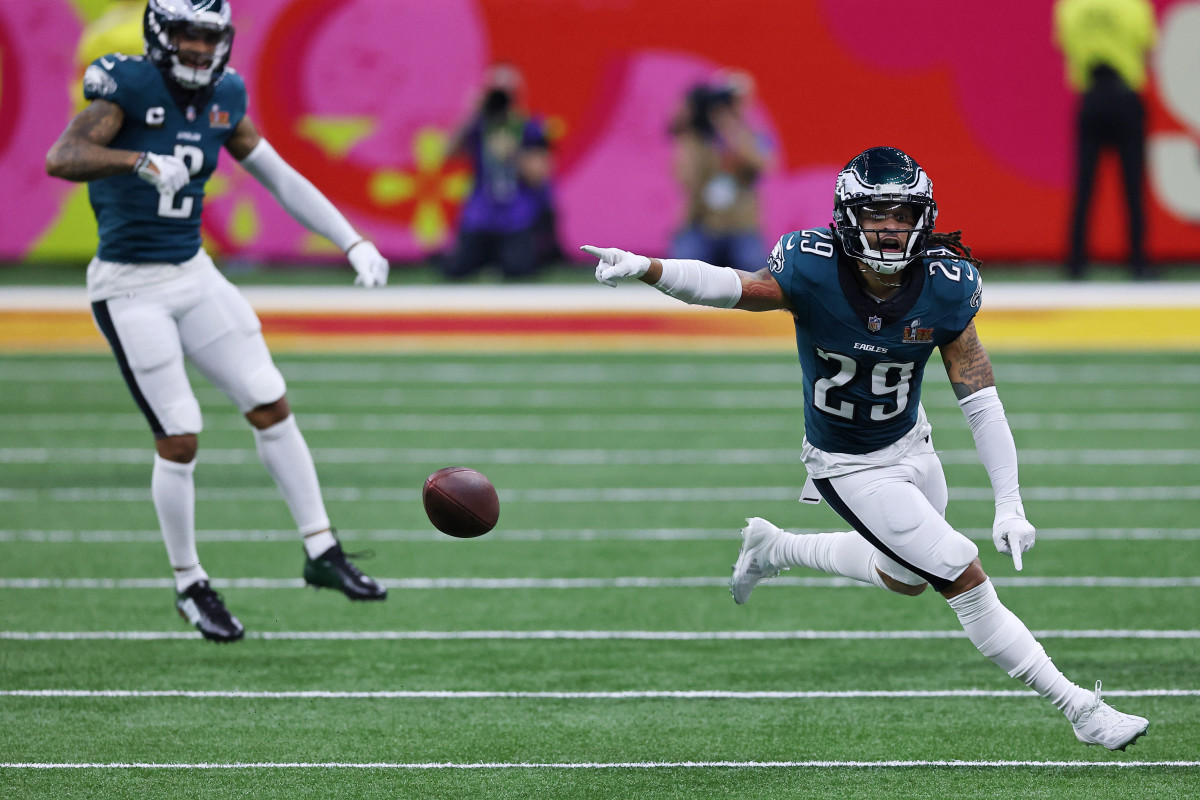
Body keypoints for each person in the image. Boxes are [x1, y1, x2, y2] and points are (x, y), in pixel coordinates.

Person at [582, 146, 1150, 751]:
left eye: (902, 215)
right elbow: (733, 288)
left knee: (904, 578)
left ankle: (777, 547)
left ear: (922, 218)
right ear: (847, 219)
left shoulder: (946, 283)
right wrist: (647, 267)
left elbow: (979, 395)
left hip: (911, 441)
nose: (890, 228)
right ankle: (1080, 709)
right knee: (959, 569)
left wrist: (1009, 502)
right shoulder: (812, 269)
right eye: (875, 214)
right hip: (846, 463)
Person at [45, 0, 390, 643]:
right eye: (188, 36)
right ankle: (190, 583)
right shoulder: (127, 86)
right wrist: (135, 160)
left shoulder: (225, 96)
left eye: (210, 37)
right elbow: (62, 155)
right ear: (159, 34)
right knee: (180, 435)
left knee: (268, 400)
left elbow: (280, 178)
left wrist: (352, 240)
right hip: (130, 287)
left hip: (193, 273)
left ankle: (321, 550)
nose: (201, 50)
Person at [1054, 0, 1158, 280]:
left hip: (1091, 98)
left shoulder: (1071, 7)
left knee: (1085, 186)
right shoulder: (1134, 6)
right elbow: (1146, 44)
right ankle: (1139, 263)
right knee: (1133, 187)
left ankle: (1076, 263)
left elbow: (1065, 43)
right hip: (1126, 97)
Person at [441, 64, 557, 281]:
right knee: (455, 271)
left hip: (516, 217)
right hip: (480, 215)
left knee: (519, 271)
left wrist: (513, 153)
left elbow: (540, 174)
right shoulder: (478, 126)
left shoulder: (530, 127)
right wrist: (470, 114)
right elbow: (446, 155)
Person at [668, 69, 773, 270]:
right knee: (681, 270)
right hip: (701, 226)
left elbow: (763, 164)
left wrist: (731, 128)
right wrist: (693, 122)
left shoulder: (752, 135)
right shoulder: (698, 138)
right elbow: (685, 177)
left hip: (741, 227)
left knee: (754, 269)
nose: (731, 107)